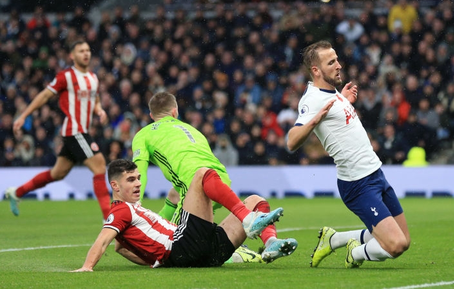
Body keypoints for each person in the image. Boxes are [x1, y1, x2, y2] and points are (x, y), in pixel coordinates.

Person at [131, 91, 297, 263]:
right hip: (220, 181)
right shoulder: (191, 130)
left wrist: (134, 205)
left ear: (151, 115)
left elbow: (139, 172)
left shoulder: (143, 134)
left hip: (197, 184)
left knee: (173, 243)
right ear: (175, 112)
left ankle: (239, 243)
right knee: (256, 201)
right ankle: (270, 241)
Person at [287, 41, 410, 268]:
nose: (339, 65)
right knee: (395, 245)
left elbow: (337, 118)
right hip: (357, 183)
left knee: (404, 239)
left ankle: (334, 239)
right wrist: (314, 121)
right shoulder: (312, 100)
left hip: (376, 173)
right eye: (331, 62)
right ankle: (356, 253)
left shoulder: (332, 92)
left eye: (337, 59)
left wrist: (344, 99)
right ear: (316, 70)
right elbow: (292, 141)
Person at [72, 159, 283, 271]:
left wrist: (154, 261)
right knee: (202, 174)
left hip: (205, 254)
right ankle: (247, 220)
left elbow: (120, 248)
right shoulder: (120, 210)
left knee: (255, 200)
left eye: (138, 178)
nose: (137, 183)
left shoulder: (133, 209)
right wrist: (87, 267)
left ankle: (271, 243)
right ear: (115, 185)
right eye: (130, 180)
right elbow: (103, 241)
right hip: (183, 246)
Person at [5, 41, 111, 217]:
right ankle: (109, 220)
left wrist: (99, 110)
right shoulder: (66, 76)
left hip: (80, 132)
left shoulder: (93, 78)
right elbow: (45, 95)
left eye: (87, 50)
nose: (86, 54)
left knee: (57, 173)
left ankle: (17, 192)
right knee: (99, 166)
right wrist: (23, 116)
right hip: (74, 131)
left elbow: (95, 100)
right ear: (72, 56)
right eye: (81, 51)